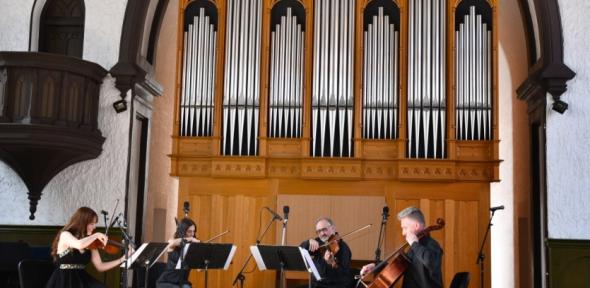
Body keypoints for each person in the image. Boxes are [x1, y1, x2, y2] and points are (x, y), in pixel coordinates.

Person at [46, 206, 132, 288]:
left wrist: (121, 260)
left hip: (81, 278)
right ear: (82, 222)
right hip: (64, 279)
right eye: (91, 223)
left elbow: (100, 266)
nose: (94, 227)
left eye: (95, 223)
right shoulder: (65, 235)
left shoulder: (90, 242)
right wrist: (96, 235)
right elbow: (79, 244)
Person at [360, 206, 443, 288]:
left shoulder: (432, 245)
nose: (403, 233)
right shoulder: (414, 247)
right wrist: (376, 267)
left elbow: (431, 262)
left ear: (416, 226)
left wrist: (414, 243)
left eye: (405, 228)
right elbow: (397, 267)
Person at [300, 217, 352, 288]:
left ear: (333, 228)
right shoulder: (318, 242)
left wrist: (332, 263)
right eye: (318, 231)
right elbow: (301, 250)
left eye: (324, 229)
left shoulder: (343, 247)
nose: (322, 233)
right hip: (317, 285)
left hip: (335, 286)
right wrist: (308, 242)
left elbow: (343, 275)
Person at [156, 217, 200, 288]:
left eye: (193, 231)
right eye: (189, 231)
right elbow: (171, 243)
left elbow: (199, 269)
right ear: (183, 231)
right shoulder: (173, 243)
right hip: (166, 282)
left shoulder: (192, 248)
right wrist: (190, 239)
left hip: (182, 283)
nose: (192, 234)